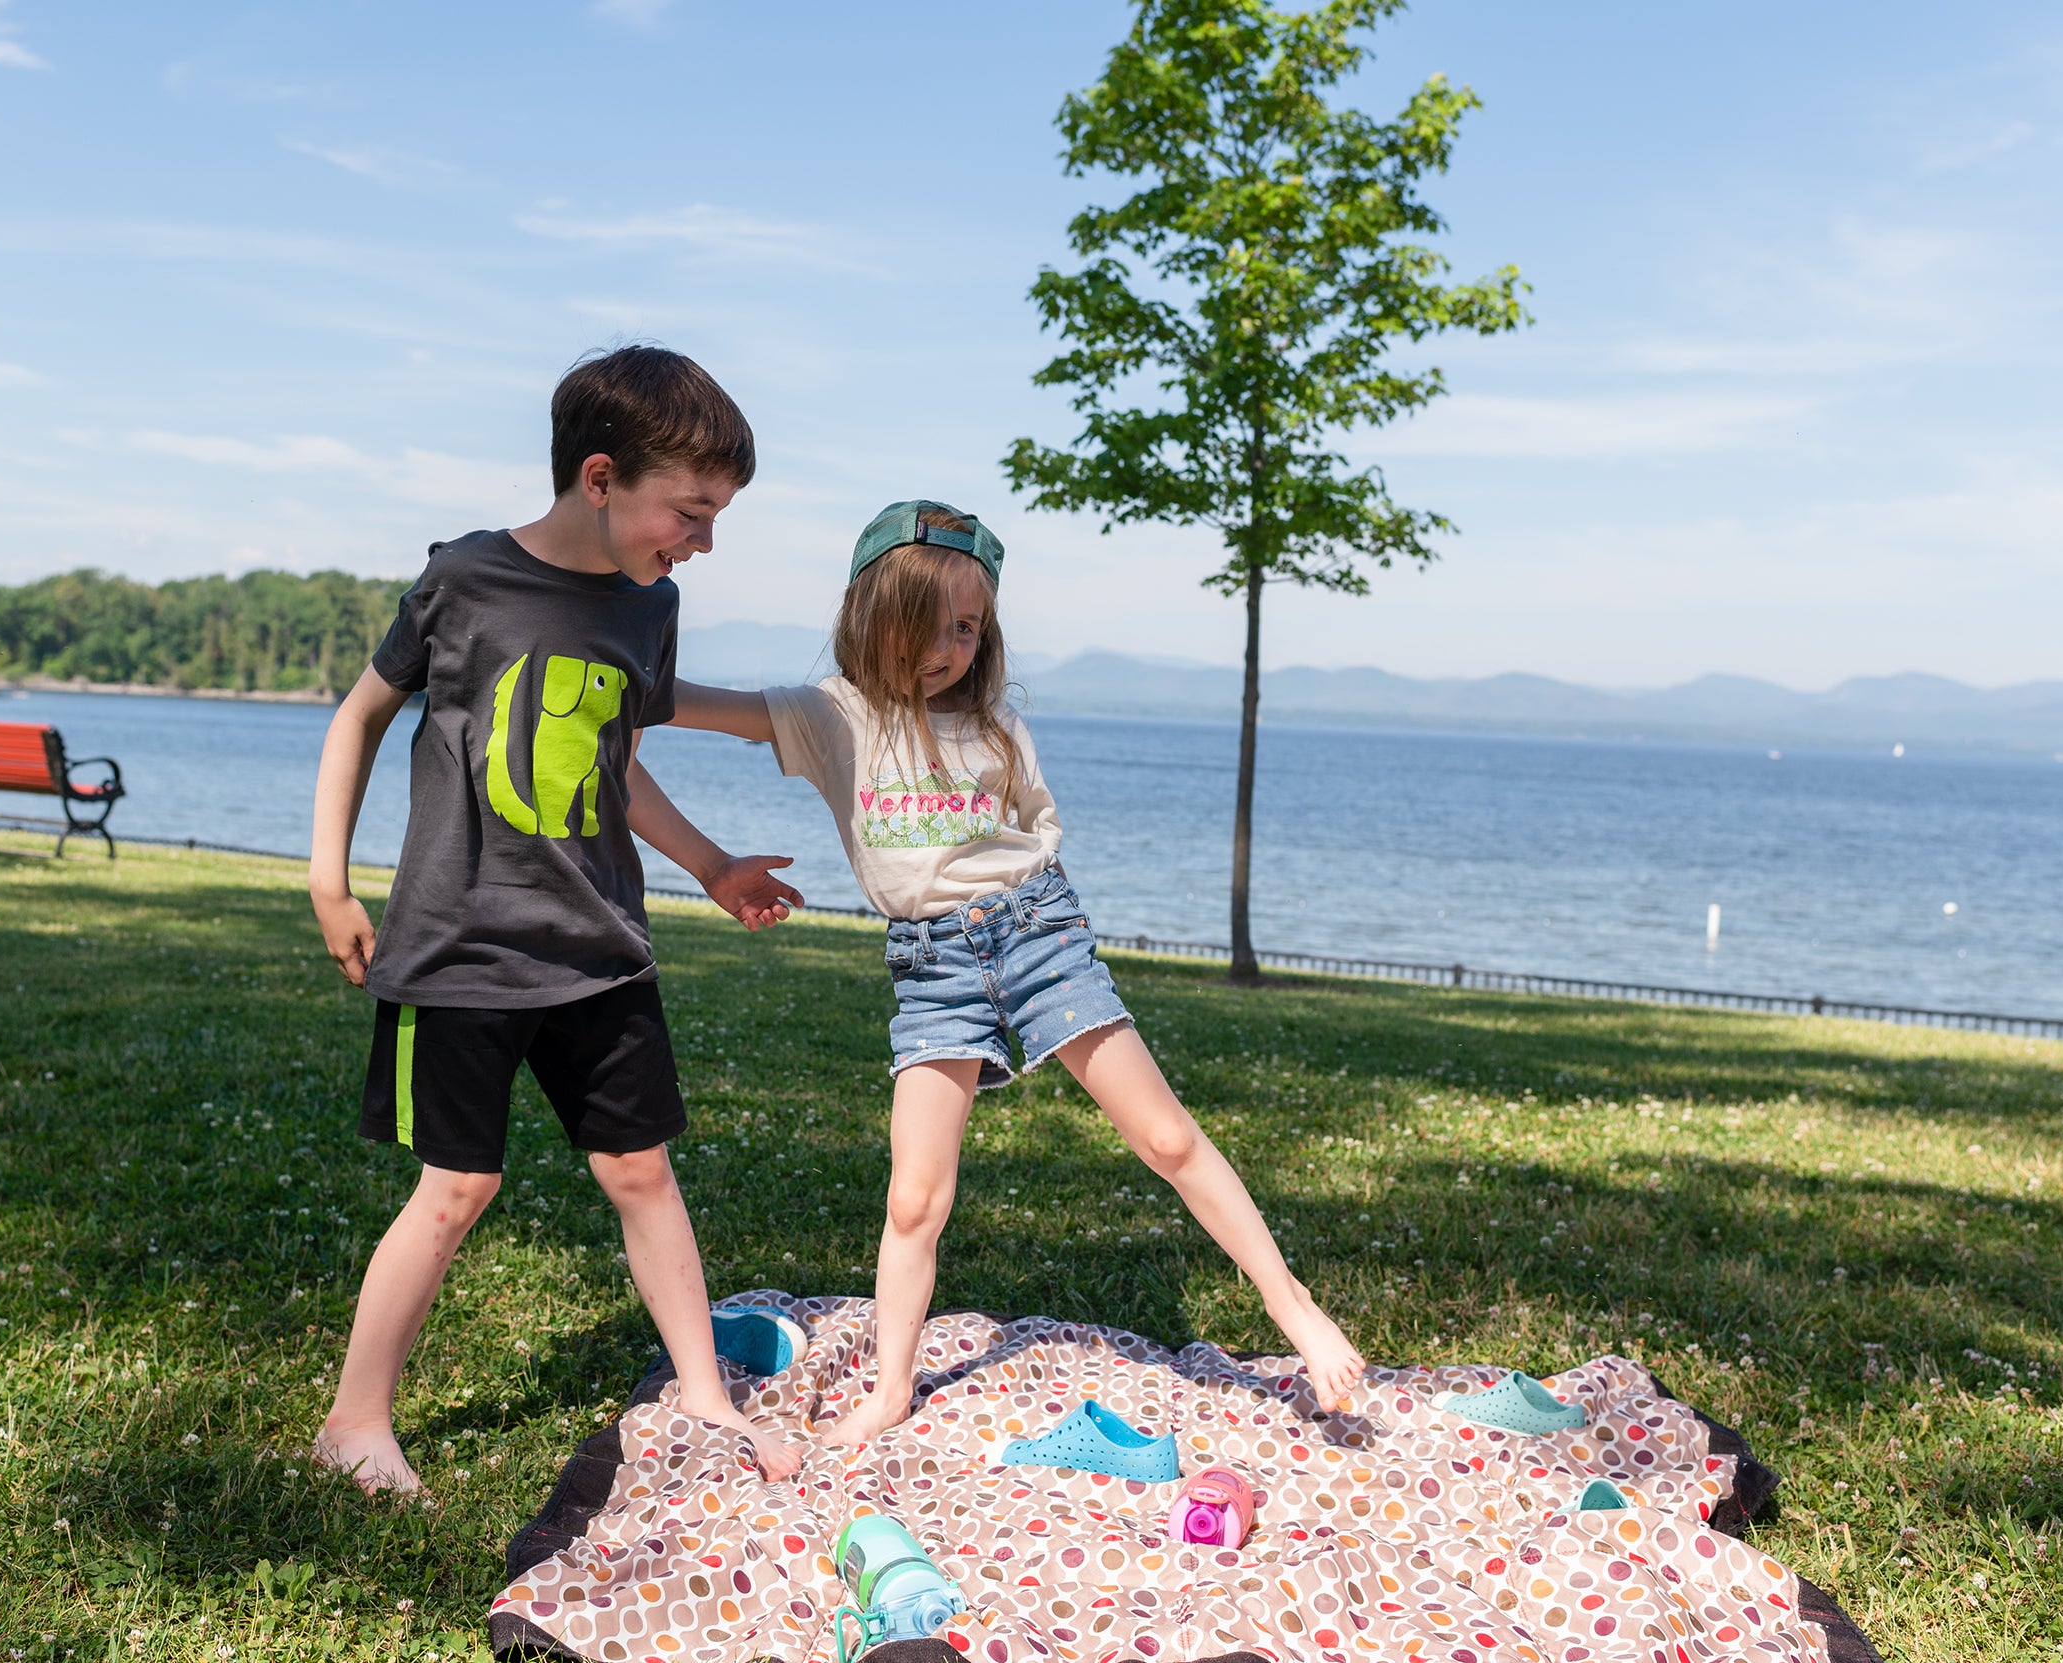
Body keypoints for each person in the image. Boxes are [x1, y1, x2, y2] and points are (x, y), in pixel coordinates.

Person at [668, 499, 1366, 1445]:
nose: (950, 646)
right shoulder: (832, 717)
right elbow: (683, 701)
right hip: (932, 967)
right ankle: (888, 1389)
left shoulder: (995, 724)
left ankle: (1295, 1308)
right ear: (873, 612)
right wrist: (588, 639)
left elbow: (1031, 839)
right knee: (916, 1197)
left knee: (1165, 1139)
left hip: (1038, 935)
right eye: (932, 622)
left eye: (969, 626)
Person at [307, 346, 806, 1494]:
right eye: (690, 511)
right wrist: (329, 880)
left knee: (643, 1171)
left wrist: (713, 863)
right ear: (599, 476)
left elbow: (612, 761)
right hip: (459, 951)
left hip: (600, 948)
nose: (702, 540)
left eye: (717, 515)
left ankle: (704, 1397)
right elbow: (360, 716)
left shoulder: (652, 607)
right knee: (457, 1187)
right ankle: (353, 1422)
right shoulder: (464, 581)